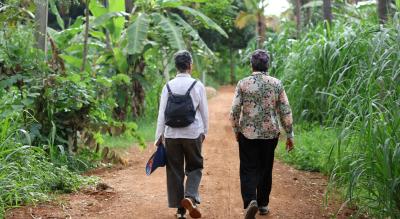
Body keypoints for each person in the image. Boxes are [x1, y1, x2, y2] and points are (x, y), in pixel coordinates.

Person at [229, 49, 294, 219]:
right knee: (265, 168)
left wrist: (236, 130)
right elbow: (285, 110)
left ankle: (251, 200)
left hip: (247, 133)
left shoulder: (243, 83)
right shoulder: (276, 84)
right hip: (270, 134)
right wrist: (290, 134)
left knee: (248, 167)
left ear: (252, 65)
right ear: (268, 65)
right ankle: (263, 204)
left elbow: (234, 110)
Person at [154, 50, 208, 219]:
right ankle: (190, 196)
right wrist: (204, 131)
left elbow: (162, 113)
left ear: (176, 67)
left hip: (171, 135)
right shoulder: (197, 85)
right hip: (192, 133)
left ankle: (180, 211)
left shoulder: (168, 86)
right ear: (190, 66)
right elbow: (204, 112)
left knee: (175, 171)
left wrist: (159, 136)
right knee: (195, 166)